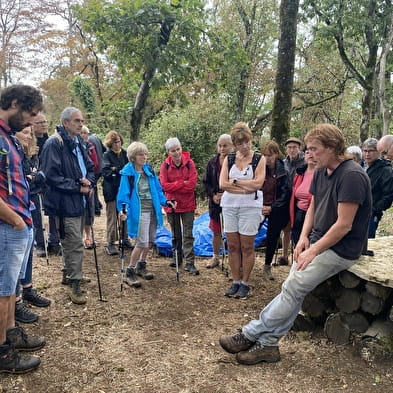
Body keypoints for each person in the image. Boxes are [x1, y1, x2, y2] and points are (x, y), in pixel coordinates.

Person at [219, 123, 372, 366]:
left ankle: (250, 333)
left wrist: (312, 249)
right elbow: (313, 205)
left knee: (293, 286)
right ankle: (268, 345)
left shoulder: (352, 175)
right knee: (293, 288)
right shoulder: (321, 170)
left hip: (342, 248)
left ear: (332, 148)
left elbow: (344, 225)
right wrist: (303, 238)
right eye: (308, 149)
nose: (308, 154)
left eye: (314, 149)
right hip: (318, 242)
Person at [0, 84, 46, 374]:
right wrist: (14, 219)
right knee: (3, 292)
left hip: (20, 222)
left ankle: (12, 335)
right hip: (8, 225)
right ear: (14, 102)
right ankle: (3, 354)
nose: (31, 121)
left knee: (12, 289)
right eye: (29, 113)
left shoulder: (10, 138)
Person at [40, 107, 95, 305]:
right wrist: (76, 187)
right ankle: (75, 283)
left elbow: (89, 167)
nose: (81, 124)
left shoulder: (78, 141)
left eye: (81, 120)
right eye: (76, 120)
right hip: (64, 203)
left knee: (74, 240)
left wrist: (89, 181)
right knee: (74, 243)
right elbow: (51, 177)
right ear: (65, 123)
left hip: (80, 201)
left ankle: (68, 273)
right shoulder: (54, 144)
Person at [117, 142, 175, 287]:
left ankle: (141, 265)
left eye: (145, 154)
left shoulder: (149, 170)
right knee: (142, 241)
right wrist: (123, 209)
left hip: (153, 209)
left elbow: (158, 189)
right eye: (141, 154)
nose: (144, 157)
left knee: (150, 240)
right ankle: (129, 271)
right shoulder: (128, 174)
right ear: (133, 157)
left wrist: (165, 202)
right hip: (139, 211)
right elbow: (123, 194)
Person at [219, 123, 266, 299]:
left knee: (247, 246)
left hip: (250, 207)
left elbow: (258, 183)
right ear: (235, 144)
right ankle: (236, 281)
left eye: (247, 142)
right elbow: (223, 184)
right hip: (230, 206)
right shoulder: (229, 159)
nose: (244, 146)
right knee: (232, 246)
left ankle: (245, 283)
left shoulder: (258, 159)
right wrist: (246, 187)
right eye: (240, 143)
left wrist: (236, 182)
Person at [14, 126, 51, 325]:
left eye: (30, 133)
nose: (29, 137)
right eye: (25, 132)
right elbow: (22, 182)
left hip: (30, 204)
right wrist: (32, 178)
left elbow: (41, 179)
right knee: (15, 257)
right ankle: (16, 300)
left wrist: (33, 178)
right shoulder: (11, 155)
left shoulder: (30, 156)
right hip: (15, 210)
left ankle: (27, 289)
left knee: (28, 250)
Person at [160, 137, 199, 275]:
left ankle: (190, 262)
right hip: (172, 204)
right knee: (175, 233)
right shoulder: (165, 166)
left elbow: (193, 184)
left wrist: (175, 186)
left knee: (188, 234)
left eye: (178, 149)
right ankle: (177, 257)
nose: (176, 153)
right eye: (172, 151)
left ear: (181, 149)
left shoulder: (190, 164)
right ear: (168, 152)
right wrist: (183, 183)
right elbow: (164, 186)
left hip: (188, 204)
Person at [260, 140, 291, 280]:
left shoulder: (284, 171)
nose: (268, 158)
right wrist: (260, 205)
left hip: (276, 209)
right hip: (258, 206)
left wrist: (271, 208)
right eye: (265, 155)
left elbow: (286, 193)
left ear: (276, 154)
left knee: (272, 237)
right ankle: (243, 263)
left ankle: (267, 266)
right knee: (248, 233)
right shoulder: (258, 167)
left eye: (270, 155)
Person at [32, 113, 61, 257]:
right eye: (39, 122)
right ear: (32, 125)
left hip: (50, 180)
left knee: (53, 211)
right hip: (35, 182)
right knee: (37, 214)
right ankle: (40, 244)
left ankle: (54, 242)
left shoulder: (50, 141)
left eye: (45, 122)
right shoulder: (27, 140)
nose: (44, 124)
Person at [202, 134, 233, 268]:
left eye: (225, 145)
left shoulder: (236, 162)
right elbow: (205, 182)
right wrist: (213, 195)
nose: (222, 148)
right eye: (220, 145)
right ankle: (215, 257)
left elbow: (238, 182)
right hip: (215, 203)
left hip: (232, 202)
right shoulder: (212, 162)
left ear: (231, 146)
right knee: (216, 231)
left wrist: (225, 194)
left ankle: (233, 258)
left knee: (233, 233)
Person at [102, 130, 132, 255]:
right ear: (110, 144)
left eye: (119, 142)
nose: (117, 145)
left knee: (124, 214)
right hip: (111, 191)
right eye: (114, 143)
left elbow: (129, 170)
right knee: (112, 217)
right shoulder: (106, 155)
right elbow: (106, 172)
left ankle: (124, 239)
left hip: (124, 190)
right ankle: (110, 242)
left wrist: (116, 170)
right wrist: (116, 171)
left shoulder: (126, 154)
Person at [279, 137, 306, 266]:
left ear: (299, 148)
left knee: (298, 227)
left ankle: (298, 255)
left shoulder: (304, 162)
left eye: (294, 147)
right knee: (286, 227)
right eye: (289, 147)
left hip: (299, 198)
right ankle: (284, 255)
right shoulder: (284, 163)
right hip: (286, 197)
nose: (292, 150)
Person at [362, 138, 393, 239]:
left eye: (371, 151)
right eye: (365, 151)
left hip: (372, 214)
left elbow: (388, 196)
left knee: (367, 241)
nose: (367, 154)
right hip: (355, 212)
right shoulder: (360, 167)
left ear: (378, 152)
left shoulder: (385, 170)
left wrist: (374, 209)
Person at [289, 148, 316, 246]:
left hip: (313, 214)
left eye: (312, 151)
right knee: (297, 241)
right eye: (307, 152)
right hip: (298, 213)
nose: (310, 155)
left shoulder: (322, 173)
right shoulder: (300, 172)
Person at [80, 125, 99, 249]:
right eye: (81, 133)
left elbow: (95, 165)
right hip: (77, 185)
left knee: (89, 212)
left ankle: (88, 237)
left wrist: (91, 183)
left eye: (85, 133)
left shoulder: (90, 147)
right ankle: (78, 237)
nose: (83, 135)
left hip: (89, 184)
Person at [87, 127, 106, 216]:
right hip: (101, 166)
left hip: (95, 167)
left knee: (92, 187)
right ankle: (98, 204)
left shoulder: (88, 140)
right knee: (94, 186)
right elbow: (104, 149)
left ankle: (96, 209)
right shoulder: (96, 137)